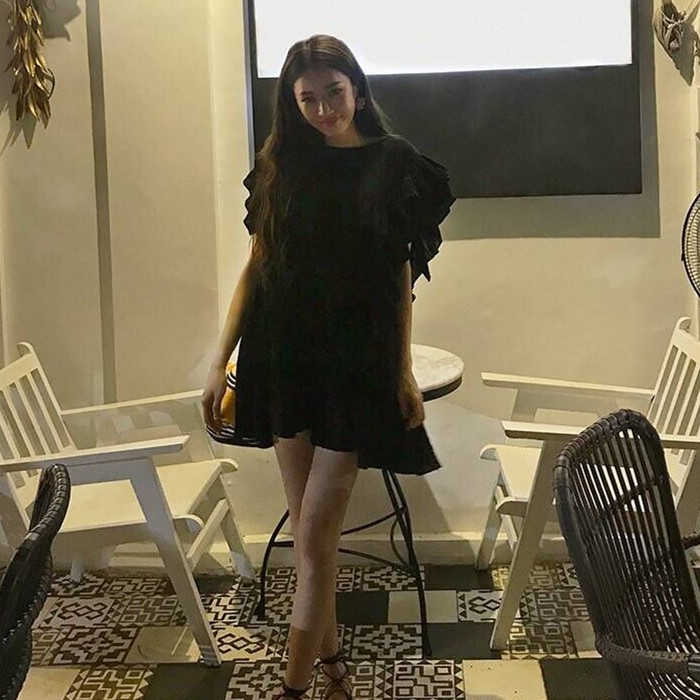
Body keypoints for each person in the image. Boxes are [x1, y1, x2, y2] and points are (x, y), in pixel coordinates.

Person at [201, 34, 455, 700]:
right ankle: (335, 671)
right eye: (307, 98)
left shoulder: (395, 163)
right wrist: (219, 362)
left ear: (358, 90)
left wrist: (401, 371)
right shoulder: (281, 163)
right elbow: (257, 267)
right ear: (292, 102)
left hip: (356, 366)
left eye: (333, 93)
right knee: (311, 537)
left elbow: (400, 279)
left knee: (313, 539)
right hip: (282, 358)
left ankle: (292, 688)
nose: (322, 110)